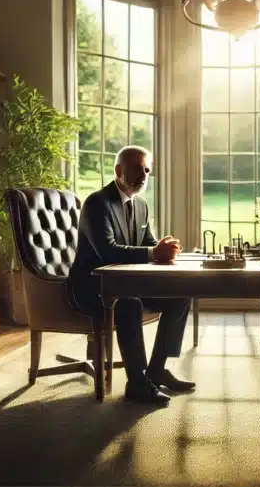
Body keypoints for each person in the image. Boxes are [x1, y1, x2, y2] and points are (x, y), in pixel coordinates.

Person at [68, 145, 194, 406]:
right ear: (118, 171)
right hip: (93, 288)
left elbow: (146, 243)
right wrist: (153, 253)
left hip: (126, 284)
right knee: (129, 304)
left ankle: (156, 370)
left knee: (180, 295)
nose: (144, 174)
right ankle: (136, 382)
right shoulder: (97, 203)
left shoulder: (141, 207)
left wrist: (164, 246)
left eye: (147, 169)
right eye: (137, 168)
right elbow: (107, 251)